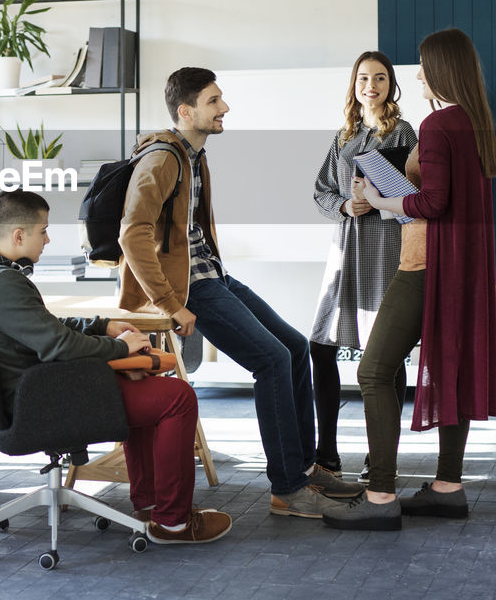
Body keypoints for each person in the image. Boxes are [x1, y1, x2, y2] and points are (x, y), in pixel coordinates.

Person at [117, 67, 363, 520]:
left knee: (292, 347)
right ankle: (287, 489)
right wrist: (172, 304)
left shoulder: (194, 155)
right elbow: (132, 234)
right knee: (269, 359)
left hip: (213, 275)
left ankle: (304, 468)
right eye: (214, 101)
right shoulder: (163, 159)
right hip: (190, 287)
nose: (224, 108)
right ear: (185, 110)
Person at [0, 190, 232, 545]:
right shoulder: (4, 283)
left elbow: (45, 327)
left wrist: (103, 326)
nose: (48, 238)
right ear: (18, 236)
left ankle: (150, 505)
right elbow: (58, 344)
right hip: (41, 404)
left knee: (142, 379)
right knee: (177, 397)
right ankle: (173, 523)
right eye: (42, 231)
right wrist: (121, 346)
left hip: (31, 394)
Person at [322, 27, 496, 531]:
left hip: (424, 266)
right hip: (458, 269)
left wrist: (380, 199)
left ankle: (379, 496)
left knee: (374, 371)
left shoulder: (440, 124)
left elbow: (434, 203)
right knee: (450, 368)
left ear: (441, 70)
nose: (418, 74)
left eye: (424, 65)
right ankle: (448, 487)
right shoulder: (473, 121)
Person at [310, 51, 416, 483]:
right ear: (353, 86)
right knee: (320, 346)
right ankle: (327, 453)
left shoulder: (403, 133)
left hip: (386, 249)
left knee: (386, 355)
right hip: (345, 249)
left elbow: (412, 198)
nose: (370, 86)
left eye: (379, 78)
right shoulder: (343, 135)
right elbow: (320, 192)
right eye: (362, 79)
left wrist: (371, 203)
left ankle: (380, 456)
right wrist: (344, 204)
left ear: (390, 85)